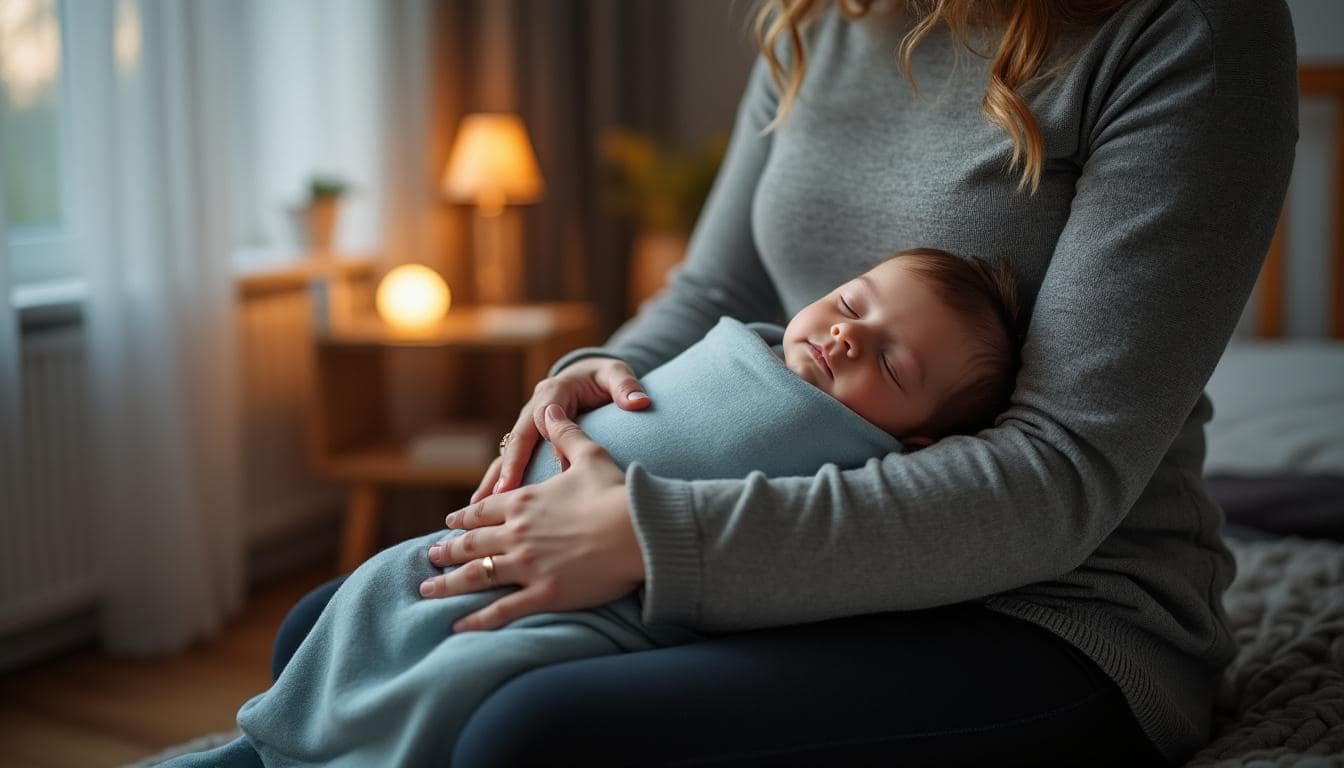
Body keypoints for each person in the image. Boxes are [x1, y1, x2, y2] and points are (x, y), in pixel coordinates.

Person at [275, 1, 1298, 765]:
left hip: (1051, 611)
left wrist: (651, 538)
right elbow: (716, 286)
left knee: (532, 735)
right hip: (785, 563)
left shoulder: (1186, 33)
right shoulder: (822, 20)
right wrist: (581, 377)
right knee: (327, 627)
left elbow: (1059, 471)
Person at [162, 247, 1022, 767]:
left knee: (470, 683)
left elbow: (825, 544)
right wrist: (576, 375)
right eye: (848, 302)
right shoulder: (749, 342)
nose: (845, 336)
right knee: (356, 601)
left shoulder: (862, 464)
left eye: (894, 364)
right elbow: (682, 319)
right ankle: (264, 751)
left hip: (613, 603)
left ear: (916, 446)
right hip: (524, 521)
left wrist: (647, 536)